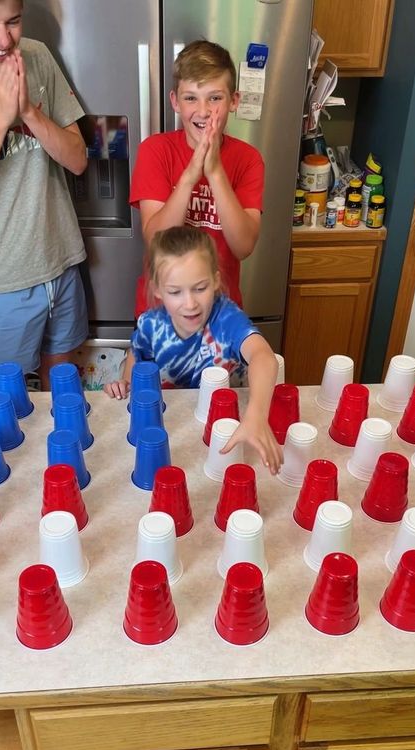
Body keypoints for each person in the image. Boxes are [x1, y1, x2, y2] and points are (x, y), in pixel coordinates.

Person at [0, 0, 88, 388]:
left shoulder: (36, 56)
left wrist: (31, 114)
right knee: (10, 397)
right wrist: (2, 117)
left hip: (63, 259)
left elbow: (78, 160)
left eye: (13, 22)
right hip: (2, 279)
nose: (3, 39)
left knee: (61, 388)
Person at [105, 226, 281, 475]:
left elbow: (264, 358)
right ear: (157, 289)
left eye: (200, 288)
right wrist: (124, 384)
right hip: (171, 435)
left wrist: (256, 415)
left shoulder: (226, 317)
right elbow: (136, 364)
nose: (190, 304)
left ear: (216, 281)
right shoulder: (150, 325)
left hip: (224, 433)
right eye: (175, 292)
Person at [130, 39, 264, 318]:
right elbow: (155, 241)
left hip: (221, 314)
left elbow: (243, 246)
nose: (203, 111)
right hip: (160, 312)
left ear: (234, 101)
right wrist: (191, 175)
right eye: (191, 98)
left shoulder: (248, 159)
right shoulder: (155, 151)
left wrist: (214, 171)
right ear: (175, 102)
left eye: (215, 98)